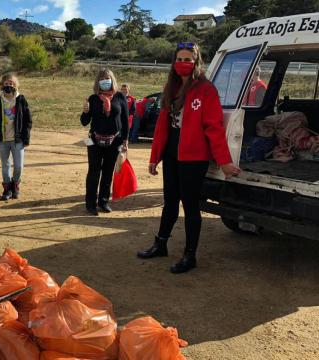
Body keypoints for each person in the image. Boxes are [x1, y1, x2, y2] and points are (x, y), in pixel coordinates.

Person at [137, 43, 241, 274]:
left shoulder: (206, 90)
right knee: (169, 201)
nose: (183, 63)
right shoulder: (171, 87)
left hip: (194, 157)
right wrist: (155, 157)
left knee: (190, 206)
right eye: (179, 58)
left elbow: (213, 128)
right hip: (172, 152)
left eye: (188, 59)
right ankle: (160, 244)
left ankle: (189, 255)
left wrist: (224, 161)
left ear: (197, 61)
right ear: (174, 62)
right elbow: (162, 127)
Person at [81, 68, 129, 215]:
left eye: (107, 77)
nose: (105, 80)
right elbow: (84, 122)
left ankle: (103, 201)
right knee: (94, 172)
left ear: (112, 79)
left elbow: (125, 121)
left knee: (108, 172)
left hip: (114, 141)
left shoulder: (120, 97)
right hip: (95, 141)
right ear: (97, 81)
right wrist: (85, 111)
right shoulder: (93, 98)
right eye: (101, 78)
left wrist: (125, 141)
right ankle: (90, 204)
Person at [0, 73, 32, 200]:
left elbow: (28, 120)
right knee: (6, 165)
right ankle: (7, 189)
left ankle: (15, 184)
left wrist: (26, 138)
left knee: (18, 166)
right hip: (2, 140)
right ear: (2, 86)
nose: (9, 86)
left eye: (11, 84)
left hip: (18, 140)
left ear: (15, 86)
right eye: (6, 84)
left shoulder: (21, 100)